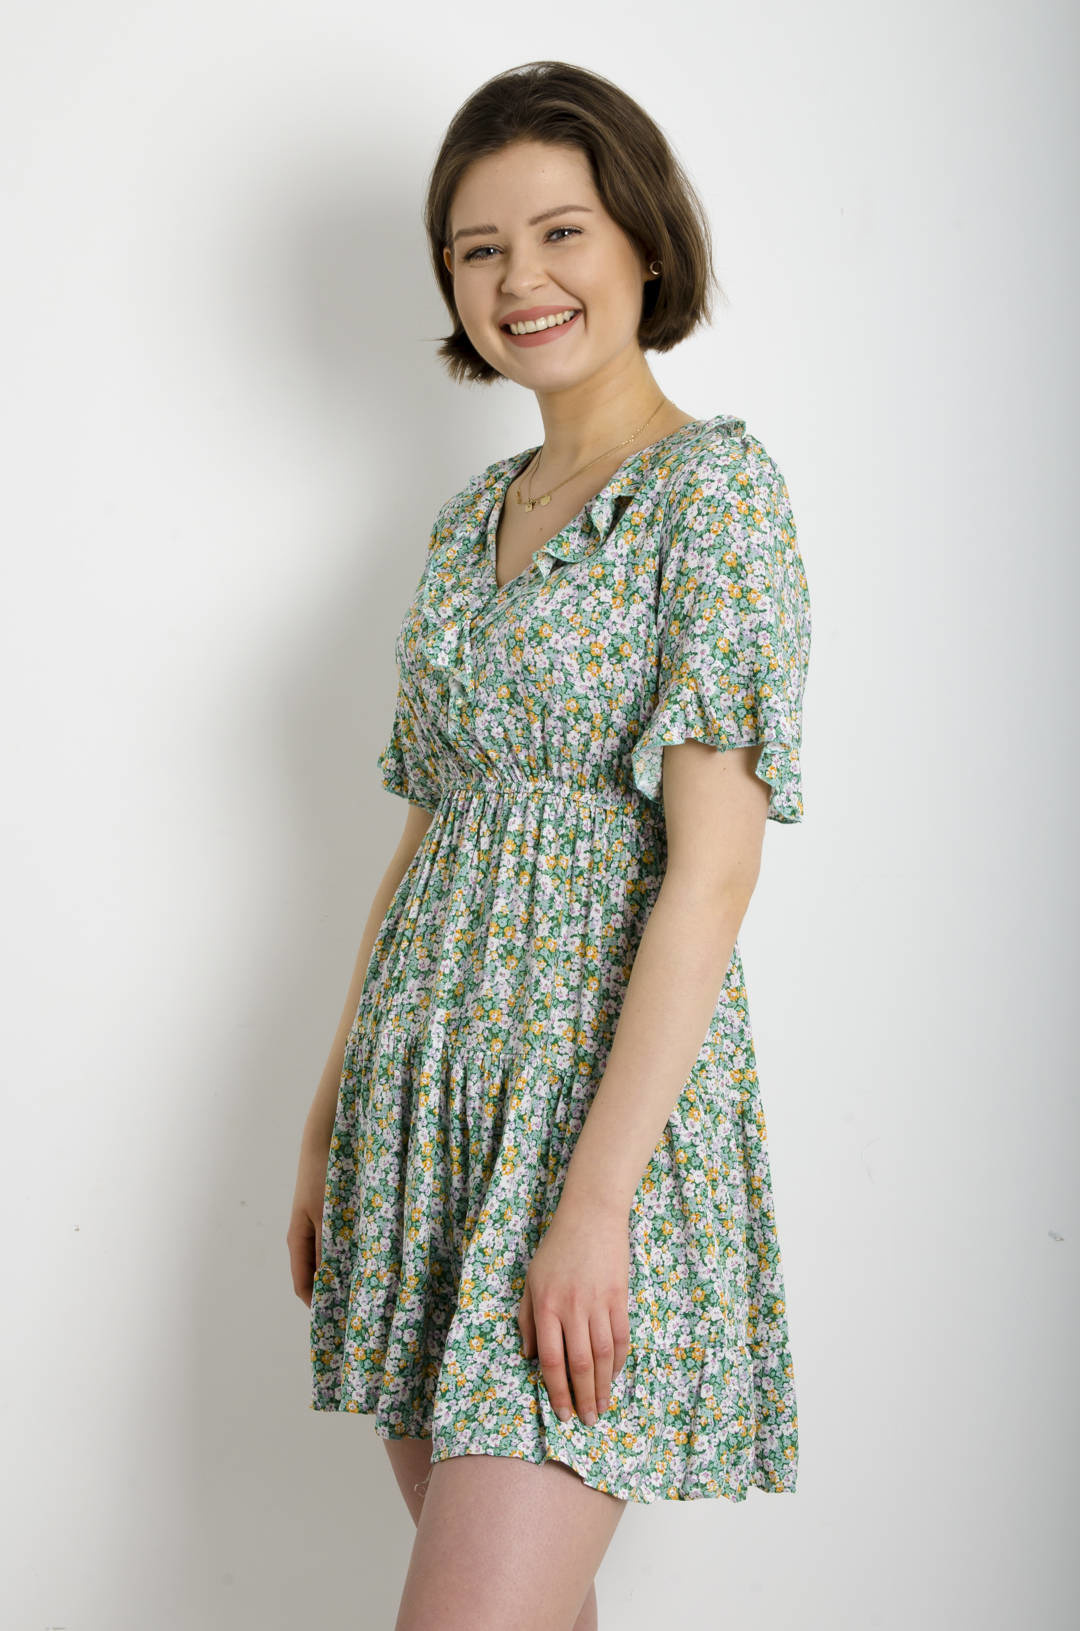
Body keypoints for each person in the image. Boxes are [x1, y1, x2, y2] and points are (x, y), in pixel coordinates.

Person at [287, 59, 813, 1631]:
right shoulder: (470, 520)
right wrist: (331, 1114)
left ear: (644, 240)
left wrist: (595, 1205)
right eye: (479, 247)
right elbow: (429, 827)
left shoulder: (713, 495)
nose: (520, 276)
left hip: (591, 1127)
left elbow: (713, 872)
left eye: (561, 230)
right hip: (427, 1111)